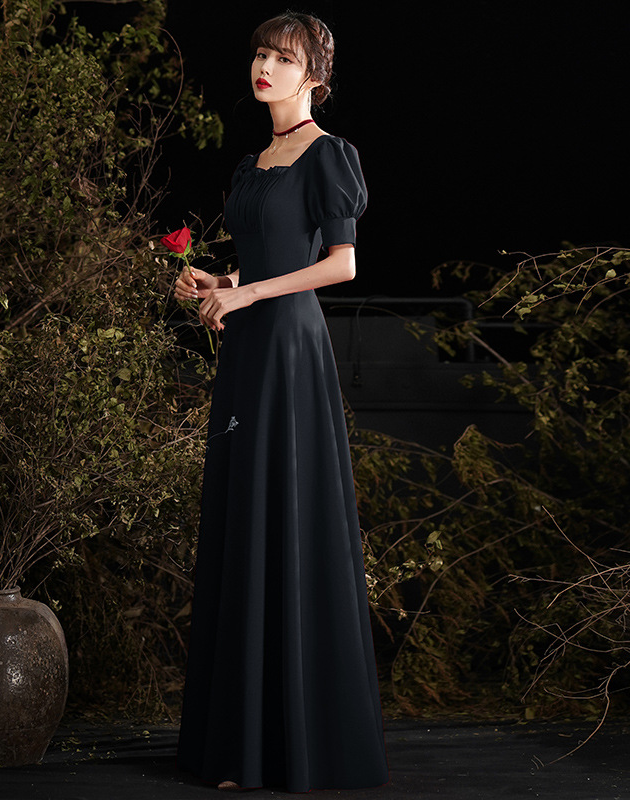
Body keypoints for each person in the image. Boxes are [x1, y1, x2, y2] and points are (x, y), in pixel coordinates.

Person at [174, 11, 389, 793]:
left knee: (286, 518)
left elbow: (340, 264)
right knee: (247, 518)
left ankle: (293, 745)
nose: (265, 67)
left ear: (315, 78)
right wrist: (219, 283)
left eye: (285, 58)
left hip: (291, 349)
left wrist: (250, 292)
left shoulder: (330, 154)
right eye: (261, 54)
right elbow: (266, 260)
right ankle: (243, 745)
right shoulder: (255, 161)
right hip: (249, 347)